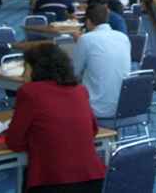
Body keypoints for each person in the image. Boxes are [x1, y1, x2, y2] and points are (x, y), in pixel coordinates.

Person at [6, 43, 106, 193]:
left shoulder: (29, 92)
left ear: (36, 69)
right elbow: (93, 130)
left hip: (51, 182)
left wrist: (39, 141)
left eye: (25, 68)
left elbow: (14, 142)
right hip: (93, 181)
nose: (22, 75)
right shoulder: (80, 90)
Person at [72, 4, 130, 119]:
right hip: (123, 106)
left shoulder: (86, 39)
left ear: (88, 22)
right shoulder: (123, 38)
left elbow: (73, 73)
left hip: (94, 108)